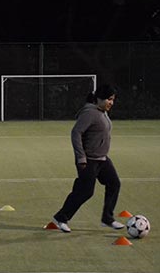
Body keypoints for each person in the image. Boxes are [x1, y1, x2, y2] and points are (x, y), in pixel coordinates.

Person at [52, 84, 124, 233]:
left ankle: (107, 219)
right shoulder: (90, 113)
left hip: (102, 159)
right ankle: (61, 218)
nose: (111, 103)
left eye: (113, 100)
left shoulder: (102, 111)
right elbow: (76, 133)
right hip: (88, 160)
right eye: (109, 99)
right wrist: (81, 157)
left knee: (114, 183)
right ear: (99, 99)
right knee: (85, 192)